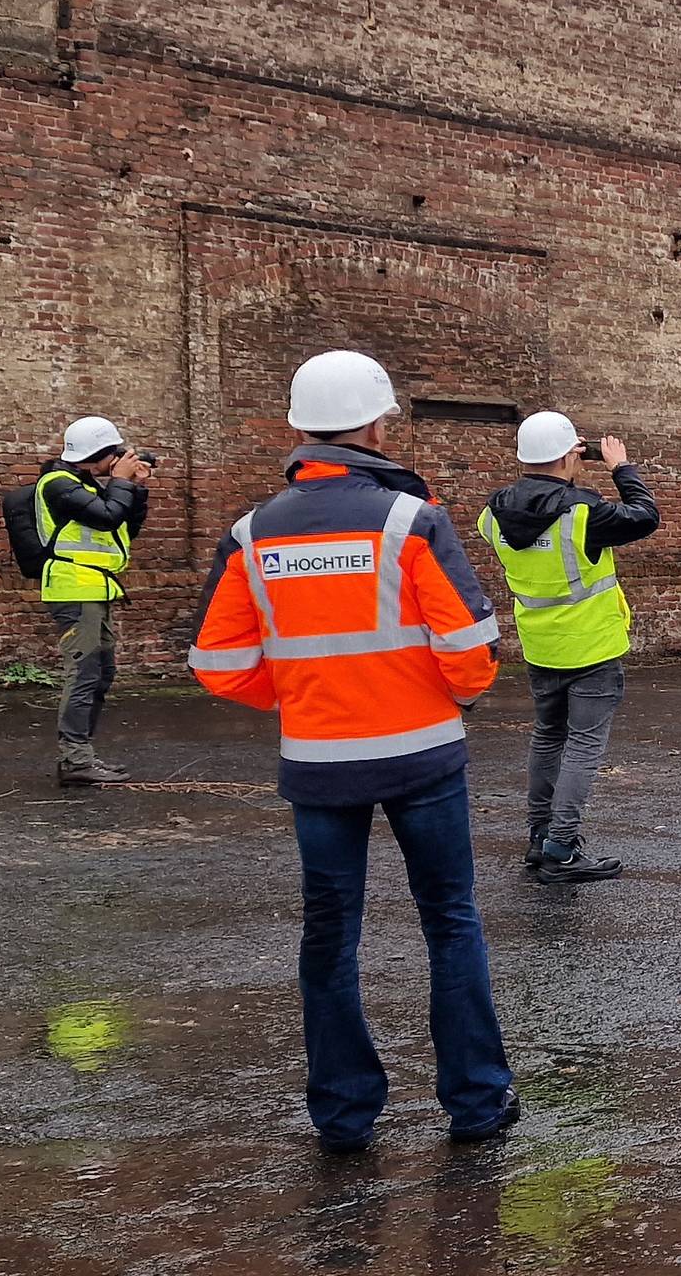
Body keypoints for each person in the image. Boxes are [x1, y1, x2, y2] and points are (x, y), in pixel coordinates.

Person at [186, 350, 517, 1152]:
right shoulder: (410, 521)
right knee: (450, 921)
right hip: (424, 758)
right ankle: (476, 1105)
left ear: (297, 428)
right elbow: (471, 647)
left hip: (318, 763)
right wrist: (447, 697)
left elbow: (216, 662)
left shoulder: (252, 532)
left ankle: (343, 1117)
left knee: (328, 937)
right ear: (376, 425)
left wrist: (299, 697)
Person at [478, 411, 660, 885]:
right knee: (582, 745)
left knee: (547, 737)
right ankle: (561, 847)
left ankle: (540, 836)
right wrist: (621, 468)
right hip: (593, 647)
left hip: (540, 646)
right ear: (568, 455)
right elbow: (645, 517)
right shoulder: (584, 513)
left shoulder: (492, 513)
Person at [33, 417, 151, 785]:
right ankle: (75, 760)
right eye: (113, 453)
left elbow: (123, 528)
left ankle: (82, 756)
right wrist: (119, 483)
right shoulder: (58, 485)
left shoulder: (86, 485)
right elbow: (106, 517)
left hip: (96, 590)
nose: (118, 458)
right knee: (83, 675)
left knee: (102, 674)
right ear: (96, 455)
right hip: (73, 590)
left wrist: (136, 489)